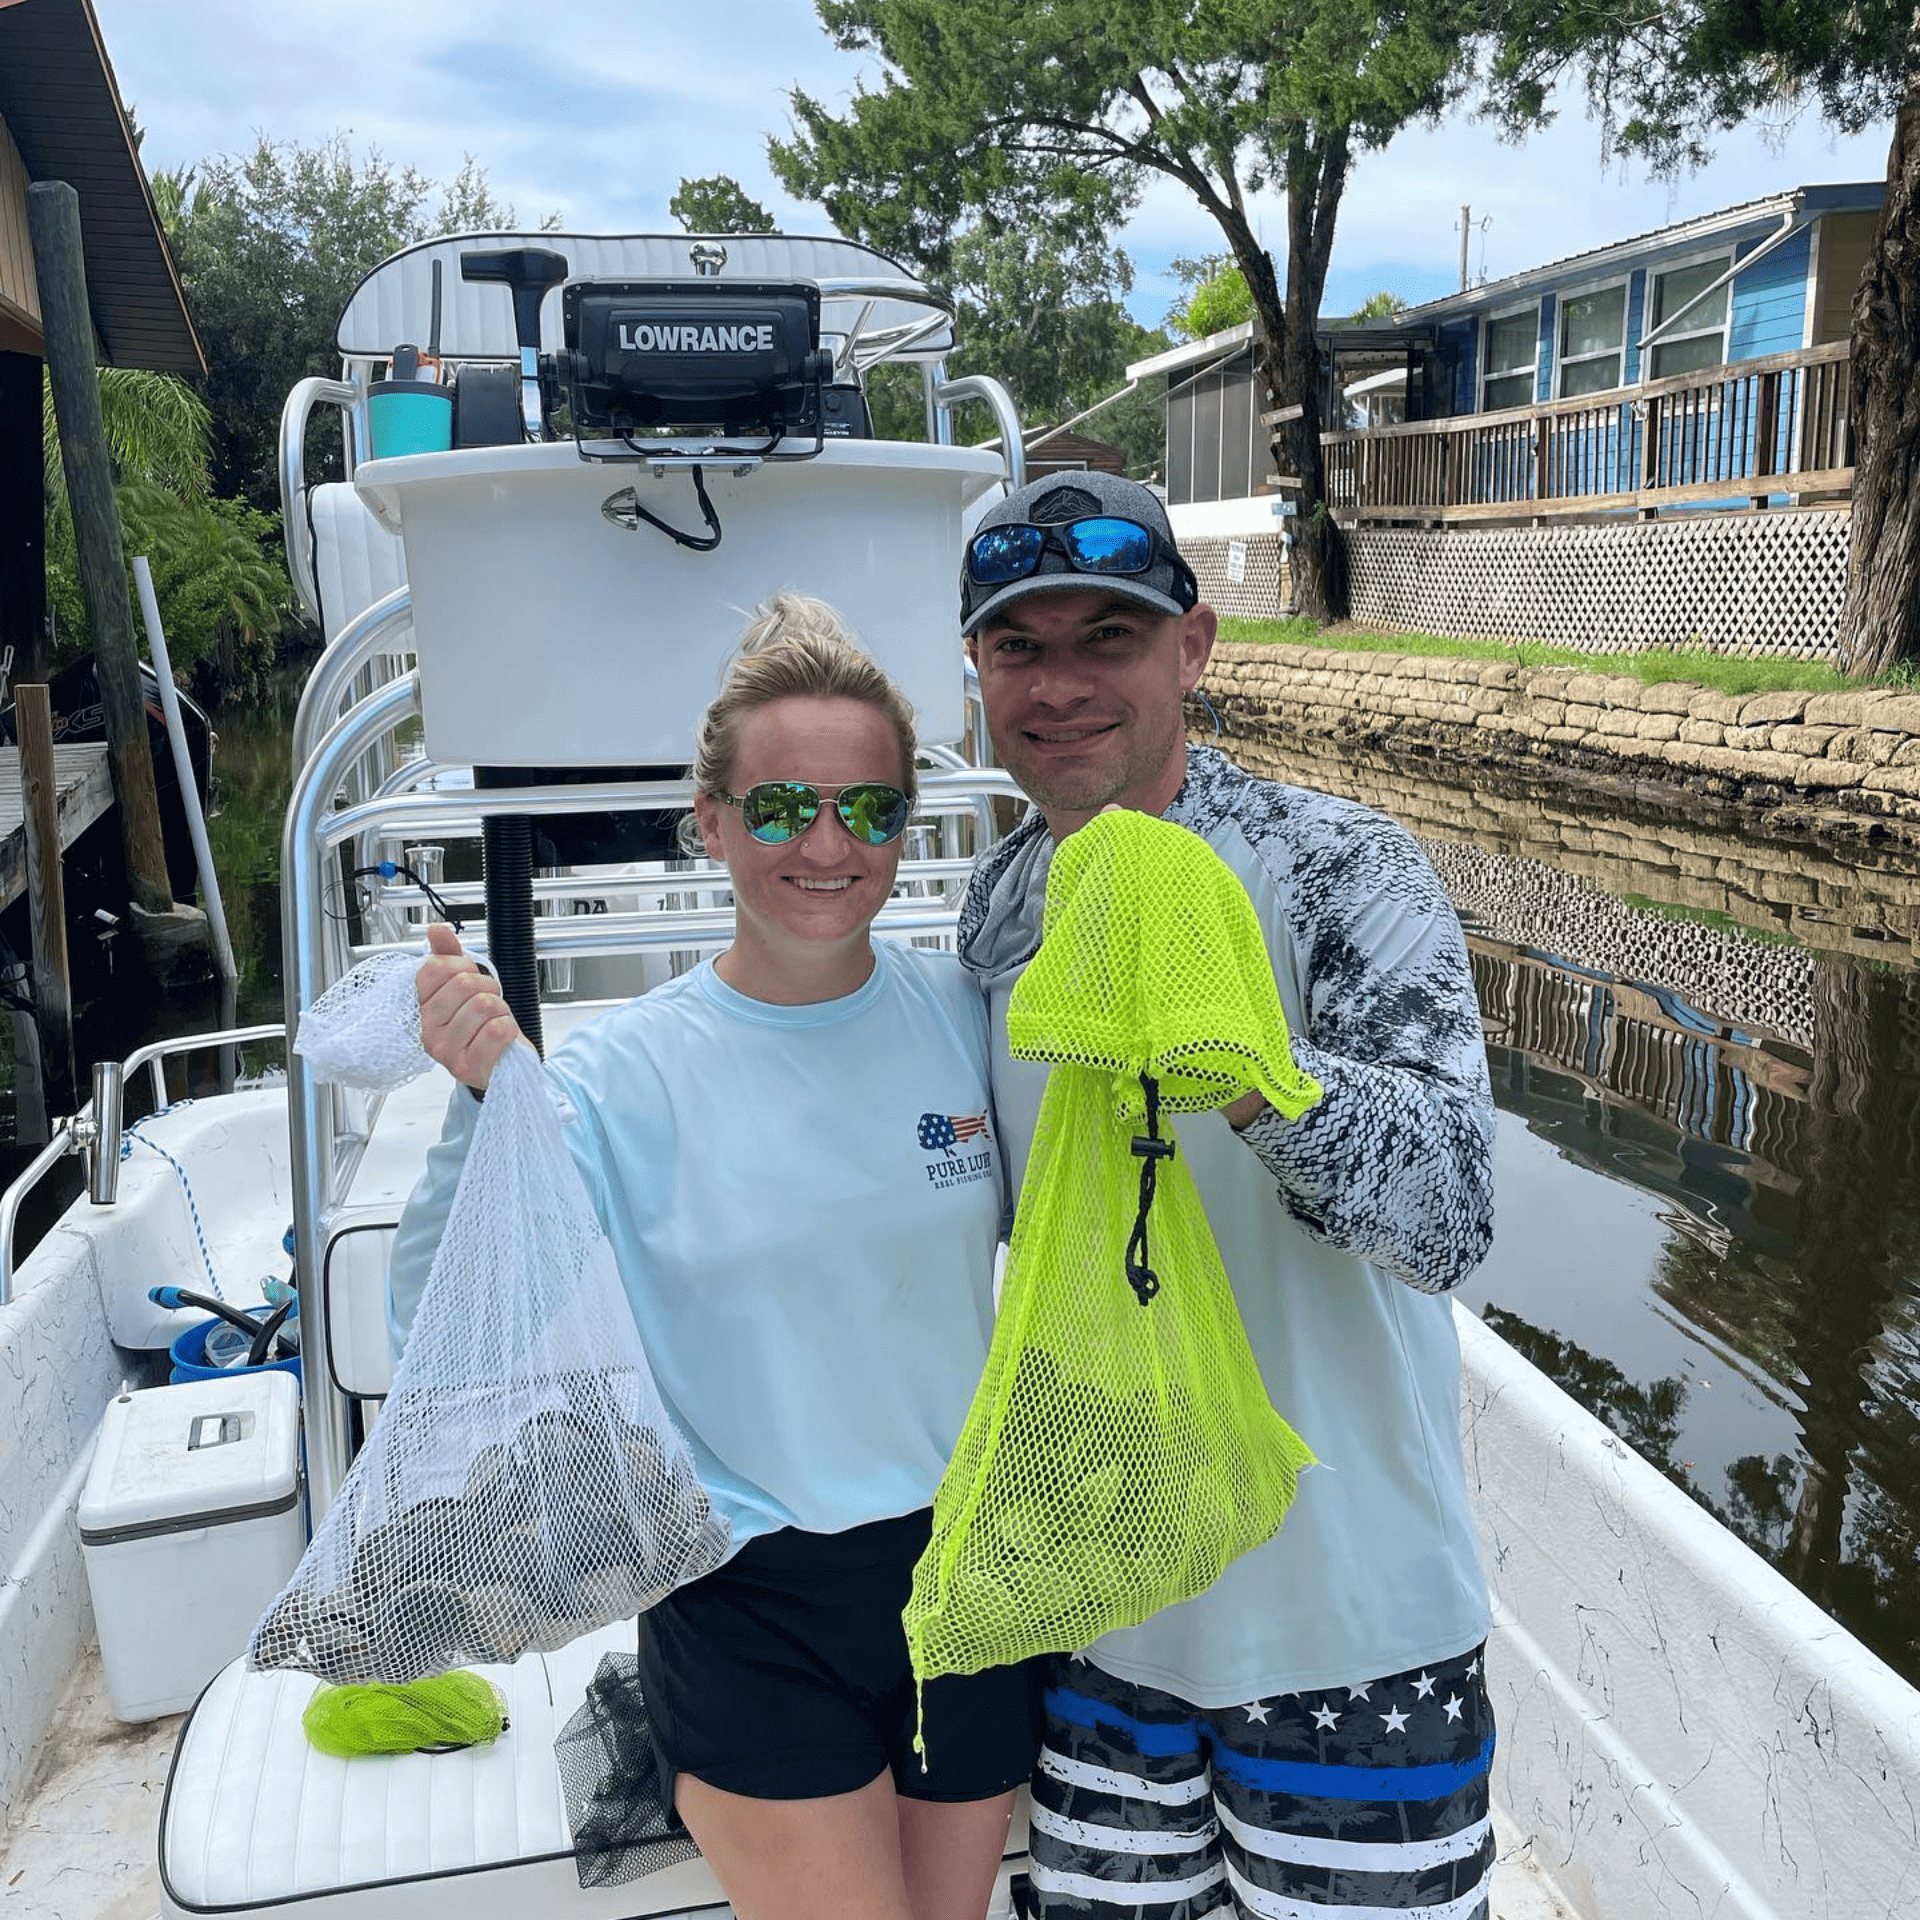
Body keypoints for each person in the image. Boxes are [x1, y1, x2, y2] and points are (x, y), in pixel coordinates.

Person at [387, 593, 1036, 1920]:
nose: (827, 845)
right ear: (712, 820)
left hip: (969, 1580)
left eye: (869, 810)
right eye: (783, 805)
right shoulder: (621, 1076)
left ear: (906, 826)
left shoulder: (966, 1016)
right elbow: (438, 1321)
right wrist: (483, 1103)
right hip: (751, 1595)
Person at [956, 472, 1499, 1919]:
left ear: (1191, 649)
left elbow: (1452, 1217)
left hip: (1351, 1637)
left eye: (1107, 640)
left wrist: (1265, 1081)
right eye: (1021, 647)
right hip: (1101, 1631)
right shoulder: (999, 909)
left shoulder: (1341, 868)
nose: (1062, 686)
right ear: (978, 670)